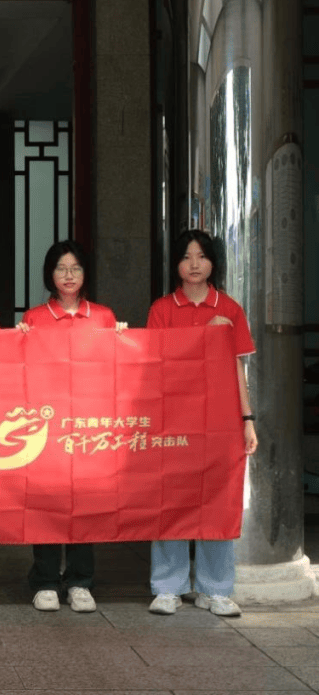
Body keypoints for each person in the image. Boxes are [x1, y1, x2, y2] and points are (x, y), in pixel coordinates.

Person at [146, 229, 257, 618]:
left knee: (217, 498)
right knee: (171, 499)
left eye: (202, 256)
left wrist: (248, 420)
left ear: (213, 262)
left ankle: (216, 588)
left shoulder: (230, 308)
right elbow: (157, 364)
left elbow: (238, 368)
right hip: (173, 417)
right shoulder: (162, 309)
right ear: (175, 264)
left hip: (221, 420)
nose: (194, 264)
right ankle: (168, 586)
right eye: (186, 257)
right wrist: (203, 337)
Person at [18, 239, 126, 614]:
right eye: (61, 268)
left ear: (85, 274)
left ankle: (80, 580)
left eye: (76, 268)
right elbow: (16, 371)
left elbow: (119, 368)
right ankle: (45, 580)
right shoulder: (33, 319)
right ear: (50, 273)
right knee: (47, 501)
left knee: (85, 503)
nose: (69, 275)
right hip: (47, 426)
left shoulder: (104, 317)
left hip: (88, 426)